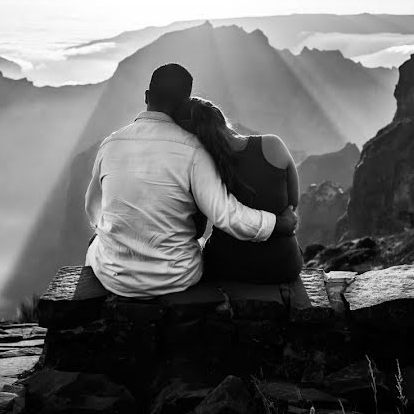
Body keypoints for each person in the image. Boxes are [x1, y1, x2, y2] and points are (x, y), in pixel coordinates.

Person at [84, 63, 299, 297]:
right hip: (178, 277)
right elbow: (225, 214)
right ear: (185, 101)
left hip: (115, 278)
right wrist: (279, 224)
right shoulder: (194, 150)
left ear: (147, 96)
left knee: (96, 241)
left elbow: (93, 207)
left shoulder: (110, 144)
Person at [173, 97, 303, 283]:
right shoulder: (273, 145)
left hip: (224, 266)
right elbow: (292, 204)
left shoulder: (200, 166)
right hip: (283, 266)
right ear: (220, 118)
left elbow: (198, 229)